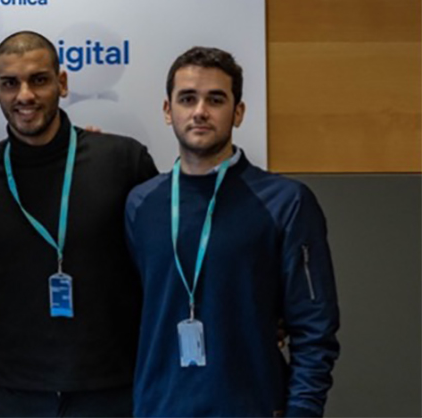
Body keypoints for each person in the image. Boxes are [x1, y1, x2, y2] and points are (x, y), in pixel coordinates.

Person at [0, 31, 158, 417]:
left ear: (62, 83)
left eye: (39, 80)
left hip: (112, 390)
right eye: (10, 84)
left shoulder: (122, 160)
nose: (25, 95)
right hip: (15, 394)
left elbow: (165, 260)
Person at [125, 47, 340, 417]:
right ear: (167, 110)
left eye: (216, 99)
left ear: (238, 112)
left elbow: (315, 332)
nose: (200, 111)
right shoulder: (141, 205)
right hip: (158, 409)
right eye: (187, 98)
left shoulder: (285, 203)